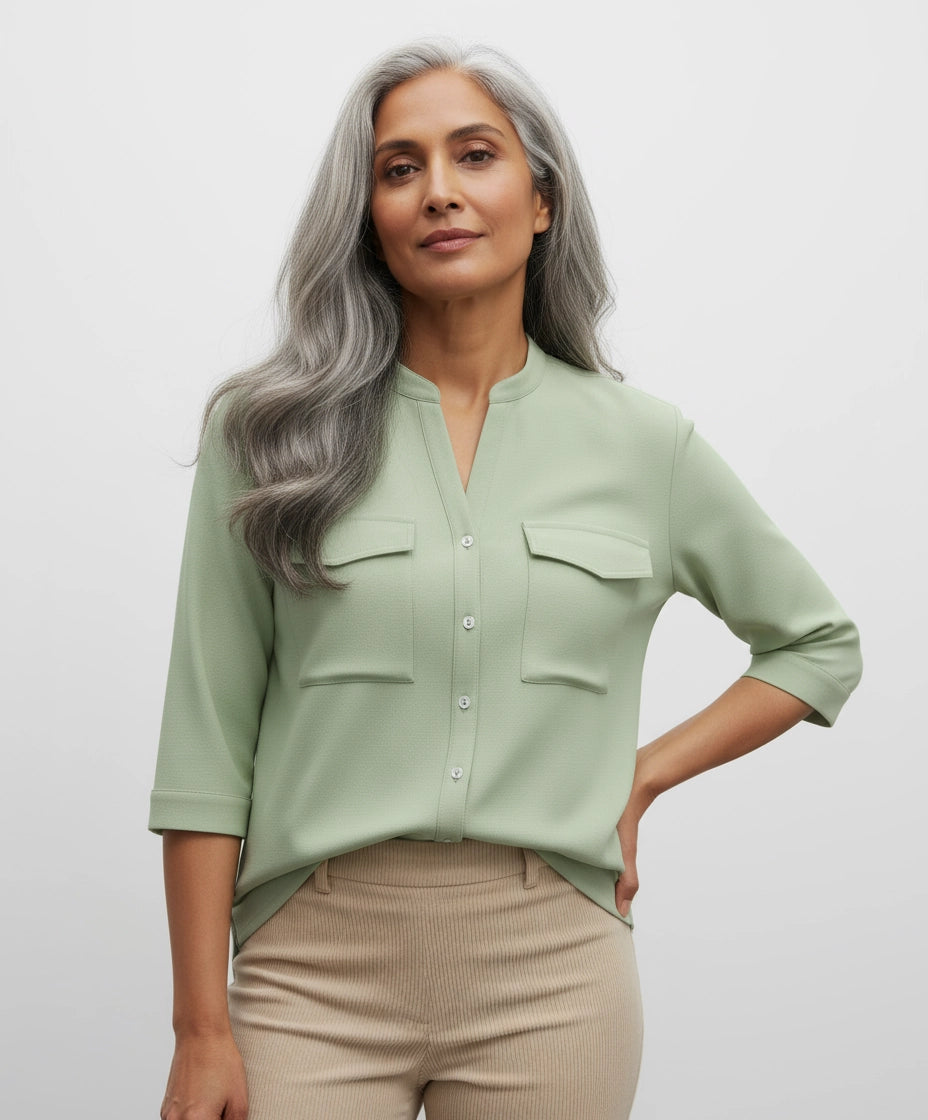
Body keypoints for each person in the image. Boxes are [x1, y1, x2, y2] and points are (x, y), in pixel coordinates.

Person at [148, 37, 863, 1120]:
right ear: (368, 218)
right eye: (399, 168)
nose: (437, 191)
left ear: (539, 201)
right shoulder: (267, 436)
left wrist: (643, 774)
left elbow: (818, 643)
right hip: (311, 969)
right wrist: (202, 1029)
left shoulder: (643, 446)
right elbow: (205, 745)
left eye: (473, 155)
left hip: (554, 974)